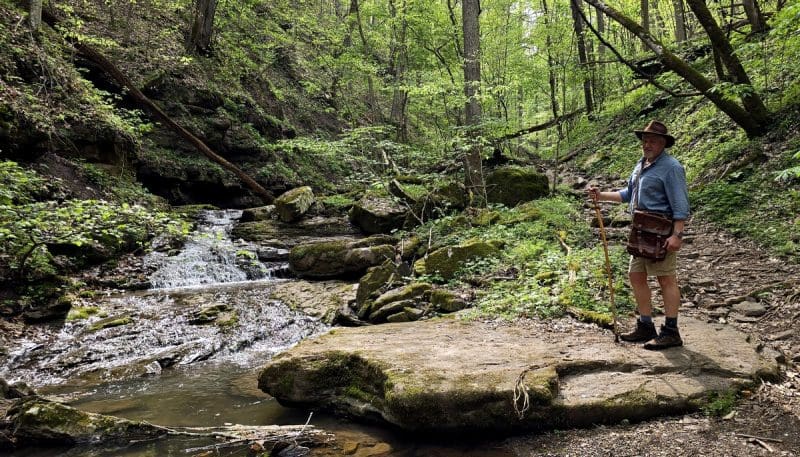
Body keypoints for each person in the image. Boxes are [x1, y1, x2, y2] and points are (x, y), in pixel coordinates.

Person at [588, 120, 690, 350]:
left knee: (666, 278)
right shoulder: (641, 165)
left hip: (661, 232)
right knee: (636, 276)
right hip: (641, 232)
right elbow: (628, 194)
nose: (647, 144)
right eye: (645, 140)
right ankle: (646, 326)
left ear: (664, 143)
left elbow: (681, 204)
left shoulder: (672, 167)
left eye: (653, 140)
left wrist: (678, 235)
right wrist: (600, 195)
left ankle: (672, 331)